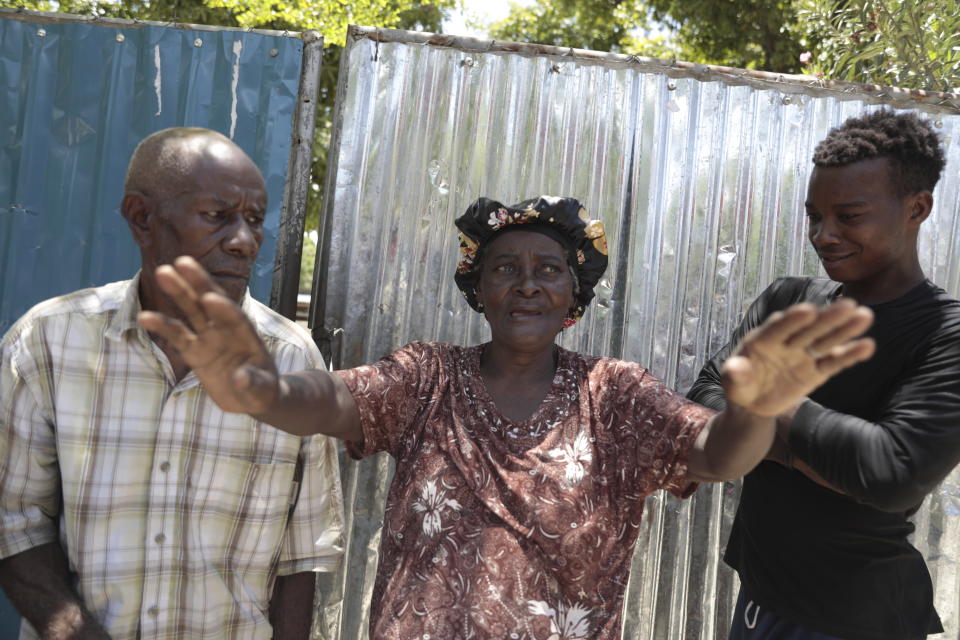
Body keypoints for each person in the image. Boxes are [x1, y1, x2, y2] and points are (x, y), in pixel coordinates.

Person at [141, 195, 875, 639]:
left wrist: (756, 407)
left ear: (573, 299)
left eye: (547, 269)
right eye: (505, 268)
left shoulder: (615, 396)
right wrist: (259, 391)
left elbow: (717, 455)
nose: (526, 284)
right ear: (479, 290)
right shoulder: (427, 377)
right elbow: (332, 399)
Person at [0, 127, 345, 640]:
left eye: (254, 220)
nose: (245, 241)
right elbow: (13, 521)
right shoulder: (48, 342)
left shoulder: (291, 361)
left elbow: (302, 553)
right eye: (217, 216)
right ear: (142, 219)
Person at [687, 109, 960, 640]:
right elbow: (700, 399)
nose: (824, 234)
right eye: (814, 215)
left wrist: (766, 404)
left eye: (849, 216)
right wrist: (802, 451)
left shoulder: (945, 334)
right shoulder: (790, 300)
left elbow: (890, 473)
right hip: (758, 598)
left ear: (917, 208)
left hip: (856, 617)